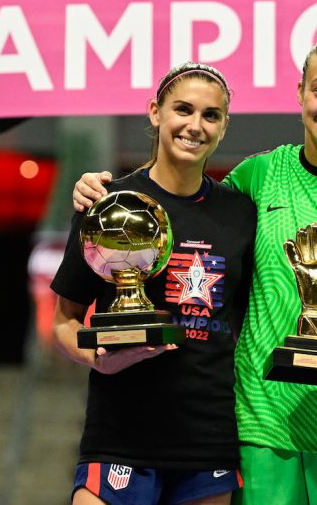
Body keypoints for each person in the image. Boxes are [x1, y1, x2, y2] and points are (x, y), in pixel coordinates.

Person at [72, 28, 317, 505]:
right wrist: (105, 196)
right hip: (263, 428)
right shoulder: (255, 178)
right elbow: (175, 206)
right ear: (301, 92)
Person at [52, 62, 257, 505]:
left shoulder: (241, 214)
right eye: (183, 109)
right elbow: (64, 322)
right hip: (119, 432)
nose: (195, 126)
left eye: (210, 115)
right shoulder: (106, 205)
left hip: (208, 439)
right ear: (155, 112)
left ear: (223, 126)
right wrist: (97, 360)